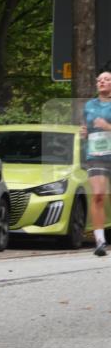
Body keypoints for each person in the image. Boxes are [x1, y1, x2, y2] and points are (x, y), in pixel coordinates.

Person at [79, 71, 111, 256]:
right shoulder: (89, 106)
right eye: (99, 80)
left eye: (106, 79)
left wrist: (108, 127)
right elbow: (85, 128)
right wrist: (84, 133)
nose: (102, 82)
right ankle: (100, 241)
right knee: (98, 195)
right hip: (96, 154)